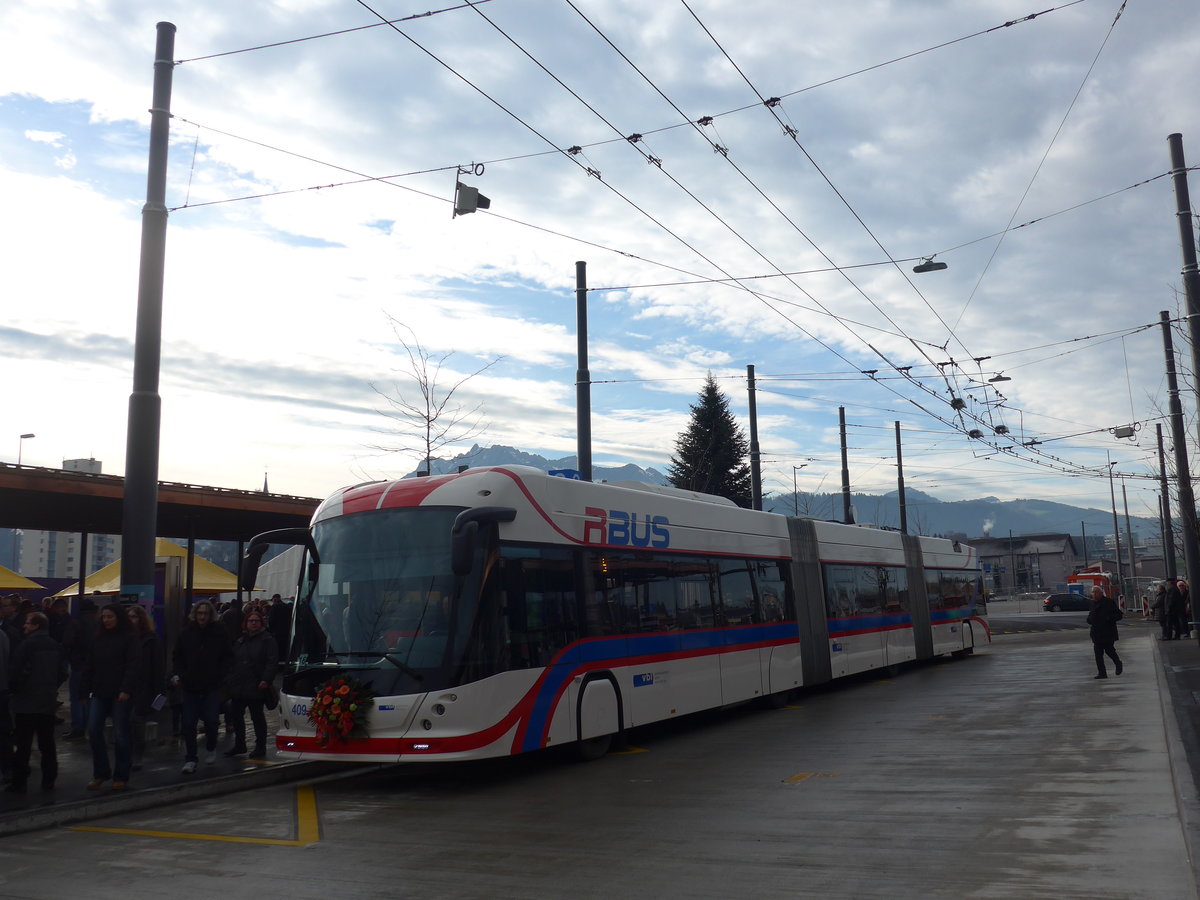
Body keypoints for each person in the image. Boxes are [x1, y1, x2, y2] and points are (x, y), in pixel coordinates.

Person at [81, 602, 140, 790]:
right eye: (104, 617)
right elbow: (89, 665)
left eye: (109, 617)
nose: (106, 620)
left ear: (118, 618)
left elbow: (133, 666)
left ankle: (121, 775)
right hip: (100, 691)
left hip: (120, 693)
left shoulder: (129, 638)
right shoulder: (98, 639)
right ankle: (101, 772)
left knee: (121, 735)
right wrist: (84, 690)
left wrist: (126, 689)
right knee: (94, 730)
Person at [7, 612, 66, 793]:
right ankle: (49, 780)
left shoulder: (26, 646)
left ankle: (19, 781)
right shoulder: (55, 646)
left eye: (27, 623)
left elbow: (16, 671)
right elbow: (63, 672)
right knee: (47, 744)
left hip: (26, 701)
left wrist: (16, 689)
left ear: (36, 626)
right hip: (46, 701)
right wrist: (50, 687)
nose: (24, 626)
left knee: (23, 744)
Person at [172, 600, 232, 775]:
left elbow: (227, 656)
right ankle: (191, 758)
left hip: (211, 685)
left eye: (205, 613)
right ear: (195, 614)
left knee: (212, 720)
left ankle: (211, 746)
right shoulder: (186, 633)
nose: (202, 617)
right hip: (190, 684)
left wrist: (220, 675)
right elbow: (178, 656)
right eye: (200, 613)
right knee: (188, 723)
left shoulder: (219, 633)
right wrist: (180, 674)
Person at [226, 609, 279, 760]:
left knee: (257, 717)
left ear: (261, 623)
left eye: (256, 620)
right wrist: (230, 679)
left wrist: (266, 679)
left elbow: (272, 662)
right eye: (251, 621)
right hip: (239, 685)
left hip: (256, 685)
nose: (254, 623)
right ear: (246, 624)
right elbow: (232, 661)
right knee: (236, 715)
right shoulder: (240, 641)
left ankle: (260, 746)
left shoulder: (267, 640)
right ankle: (239, 744)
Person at [126, 605, 165, 772]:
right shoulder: (124, 638)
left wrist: (158, 690)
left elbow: (157, 667)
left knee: (136, 720)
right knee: (126, 722)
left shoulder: (150, 640)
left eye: (134, 616)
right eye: (129, 616)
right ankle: (129, 755)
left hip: (143, 686)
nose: (131, 620)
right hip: (126, 685)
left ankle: (136, 755)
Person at [61, 597, 99, 739]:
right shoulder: (98, 624)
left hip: (78, 665)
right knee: (90, 697)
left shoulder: (76, 623)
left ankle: (78, 728)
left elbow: (67, 641)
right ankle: (91, 726)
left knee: (76, 698)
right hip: (94, 666)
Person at [1086, 585, 1123, 680]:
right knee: (1098, 654)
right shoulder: (1093, 603)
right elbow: (1091, 615)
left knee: (1109, 650)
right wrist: (1090, 620)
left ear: (1100, 593)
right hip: (1096, 633)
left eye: (1095, 592)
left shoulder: (1108, 602)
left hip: (1107, 632)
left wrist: (1108, 619)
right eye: (1092, 592)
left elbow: (1118, 615)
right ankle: (1102, 673)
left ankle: (1118, 663)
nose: (1093, 594)